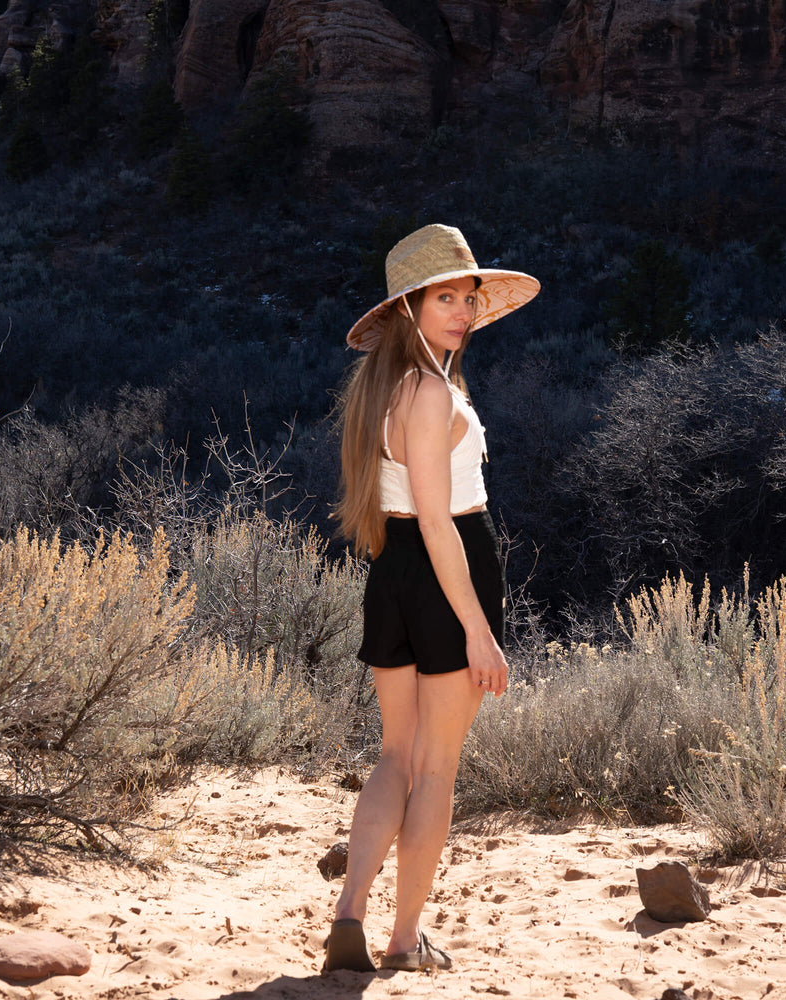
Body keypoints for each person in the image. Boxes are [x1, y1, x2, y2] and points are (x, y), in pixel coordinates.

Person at [323, 224, 539, 973]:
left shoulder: (381, 389)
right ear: (408, 306)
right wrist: (478, 629)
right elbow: (442, 521)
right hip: (450, 567)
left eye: (468, 297)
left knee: (395, 755)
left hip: (394, 571)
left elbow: (407, 517)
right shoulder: (431, 390)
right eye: (445, 297)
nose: (462, 311)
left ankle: (349, 914)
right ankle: (404, 939)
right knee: (436, 768)